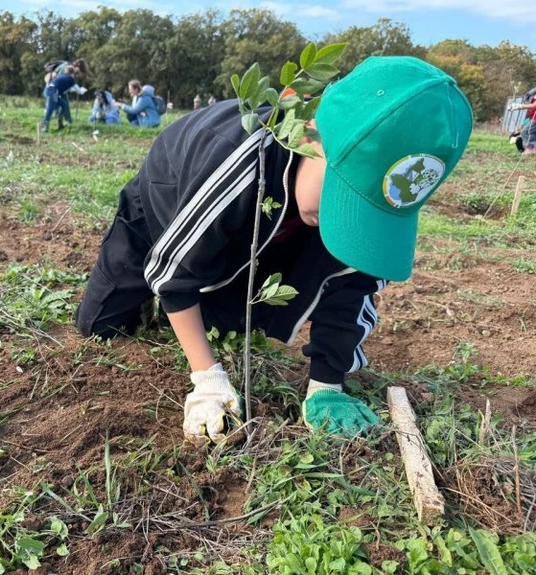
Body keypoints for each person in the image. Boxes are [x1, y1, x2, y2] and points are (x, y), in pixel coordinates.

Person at [76, 56, 473, 443]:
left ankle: (212, 302)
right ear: (310, 136)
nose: (340, 217)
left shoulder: (337, 206)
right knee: (100, 325)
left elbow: (353, 287)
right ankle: (162, 300)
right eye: (341, 194)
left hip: (268, 229)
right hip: (164, 209)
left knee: (233, 315)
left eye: (360, 208)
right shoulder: (238, 159)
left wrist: (327, 385)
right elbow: (176, 272)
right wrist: (207, 378)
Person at [40, 65, 87, 133]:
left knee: (64, 104)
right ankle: (45, 126)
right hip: (53, 91)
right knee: (50, 109)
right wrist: (83, 90)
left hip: (49, 90)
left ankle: (60, 121)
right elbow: (79, 91)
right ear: (72, 73)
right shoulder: (70, 79)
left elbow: (68, 89)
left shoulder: (62, 76)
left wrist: (77, 90)